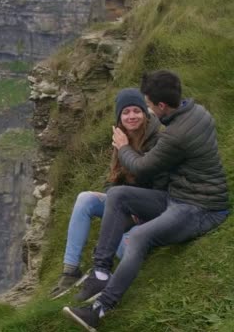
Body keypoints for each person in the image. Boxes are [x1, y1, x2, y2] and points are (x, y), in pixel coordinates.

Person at [64, 70, 229, 332]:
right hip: (178, 196)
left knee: (139, 237)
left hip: (201, 208)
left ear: (161, 106)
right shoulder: (198, 111)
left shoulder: (174, 136)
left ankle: (99, 309)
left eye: (149, 105)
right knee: (117, 195)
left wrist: (122, 146)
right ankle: (100, 273)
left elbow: (141, 167)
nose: (148, 110)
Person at [49, 88, 167, 299]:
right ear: (120, 116)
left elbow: (159, 183)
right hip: (124, 204)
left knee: (124, 248)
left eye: (136, 111)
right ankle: (70, 271)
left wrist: (125, 151)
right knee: (85, 199)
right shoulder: (122, 135)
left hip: (152, 209)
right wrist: (109, 193)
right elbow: (112, 178)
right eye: (126, 112)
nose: (131, 116)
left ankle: (105, 276)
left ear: (145, 113)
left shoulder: (159, 139)